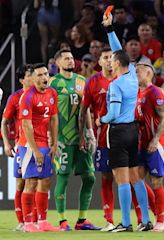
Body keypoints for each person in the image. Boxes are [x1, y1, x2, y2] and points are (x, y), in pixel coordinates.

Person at [97, 12, 153, 232]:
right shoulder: (131, 76)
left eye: (111, 59)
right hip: (133, 131)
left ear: (117, 64)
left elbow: (113, 113)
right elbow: (119, 50)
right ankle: (146, 220)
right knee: (135, 176)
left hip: (118, 131)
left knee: (121, 179)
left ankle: (126, 223)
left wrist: (101, 119)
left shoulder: (116, 84)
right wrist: (109, 29)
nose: (110, 61)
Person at [49, 49, 98, 231]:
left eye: (71, 58)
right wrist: (51, 137)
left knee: (90, 177)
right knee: (63, 178)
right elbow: (49, 113)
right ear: (57, 63)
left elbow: (86, 110)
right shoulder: (53, 83)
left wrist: (90, 132)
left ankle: (82, 220)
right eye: (66, 58)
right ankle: (62, 221)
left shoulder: (81, 81)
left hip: (81, 139)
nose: (70, 61)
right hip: (63, 139)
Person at [18, 63, 59, 232]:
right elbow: (26, 126)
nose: (44, 78)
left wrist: (55, 143)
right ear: (33, 79)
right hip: (29, 144)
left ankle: (42, 222)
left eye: (45, 74)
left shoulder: (52, 93)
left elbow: (54, 119)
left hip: (45, 143)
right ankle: (28, 223)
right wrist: (35, 150)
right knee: (31, 182)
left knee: (45, 181)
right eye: (40, 75)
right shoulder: (28, 96)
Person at [80, 47, 116, 231]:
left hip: (125, 133)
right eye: (106, 57)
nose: (110, 60)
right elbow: (83, 110)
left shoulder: (124, 79)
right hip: (103, 137)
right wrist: (83, 136)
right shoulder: (93, 82)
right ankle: (109, 219)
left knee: (133, 177)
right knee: (107, 176)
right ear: (100, 62)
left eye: (112, 57)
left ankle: (147, 217)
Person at [135, 60, 164, 232]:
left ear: (148, 73)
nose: (135, 75)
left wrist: (155, 140)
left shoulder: (155, 92)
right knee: (136, 180)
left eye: (138, 72)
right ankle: (157, 212)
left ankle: (160, 219)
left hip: (158, 144)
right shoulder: (137, 93)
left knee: (156, 182)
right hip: (141, 143)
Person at [1, 65, 34, 231]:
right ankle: (22, 221)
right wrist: (7, 143)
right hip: (22, 146)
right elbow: (4, 122)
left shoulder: (42, 93)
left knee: (36, 183)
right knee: (21, 184)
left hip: (40, 145)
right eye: (30, 75)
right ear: (22, 80)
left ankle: (34, 221)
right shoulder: (15, 98)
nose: (34, 77)